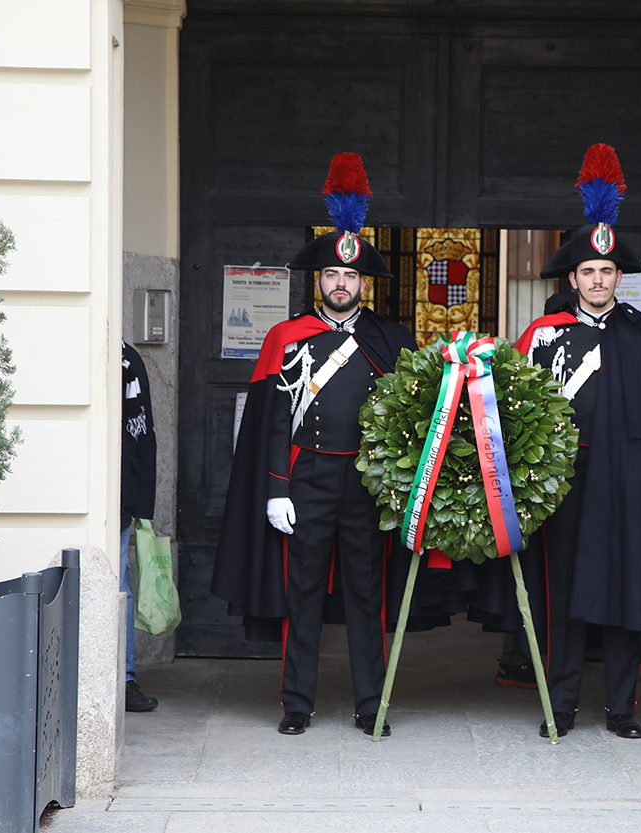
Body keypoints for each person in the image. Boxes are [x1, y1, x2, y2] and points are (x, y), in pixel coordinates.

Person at [211, 153, 417, 736]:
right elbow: (272, 420)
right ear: (319, 279)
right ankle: (297, 703)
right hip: (305, 483)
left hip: (368, 485)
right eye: (332, 275)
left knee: (365, 598)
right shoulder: (287, 335)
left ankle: (370, 702)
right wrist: (276, 488)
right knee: (301, 596)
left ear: (362, 281)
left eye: (351, 276)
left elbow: (414, 415)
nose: (341, 284)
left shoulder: (390, 339)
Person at [512, 144, 641, 738]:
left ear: (619, 277)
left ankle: (621, 708)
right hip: (565, 489)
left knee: (626, 597)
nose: (598, 281)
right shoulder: (544, 336)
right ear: (572, 278)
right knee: (564, 598)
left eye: (607, 272)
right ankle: (561, 706)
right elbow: (514, 420)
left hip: (629, 488)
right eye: (587, 273)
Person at [121, 340, 159, 712]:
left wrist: (143, 505)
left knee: (120, 588)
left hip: (118, 499)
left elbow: (143, 432)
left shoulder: (127, 360)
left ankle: (125, 679)